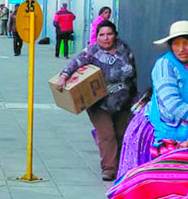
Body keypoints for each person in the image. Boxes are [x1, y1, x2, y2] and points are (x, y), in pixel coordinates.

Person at [55, 20, 137, 180]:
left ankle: (121, 165)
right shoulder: (92, 52)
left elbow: (134, 75)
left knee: (121, 133)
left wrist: (135, 99)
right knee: (107, 134)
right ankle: (109, 169)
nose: (106, 38)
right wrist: (64, 75)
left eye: (109, 34)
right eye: (102, 35)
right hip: (99, 102)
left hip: (123, 101)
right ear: (97, 36)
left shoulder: (124, 49)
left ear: (115, 35)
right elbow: (75, 62)